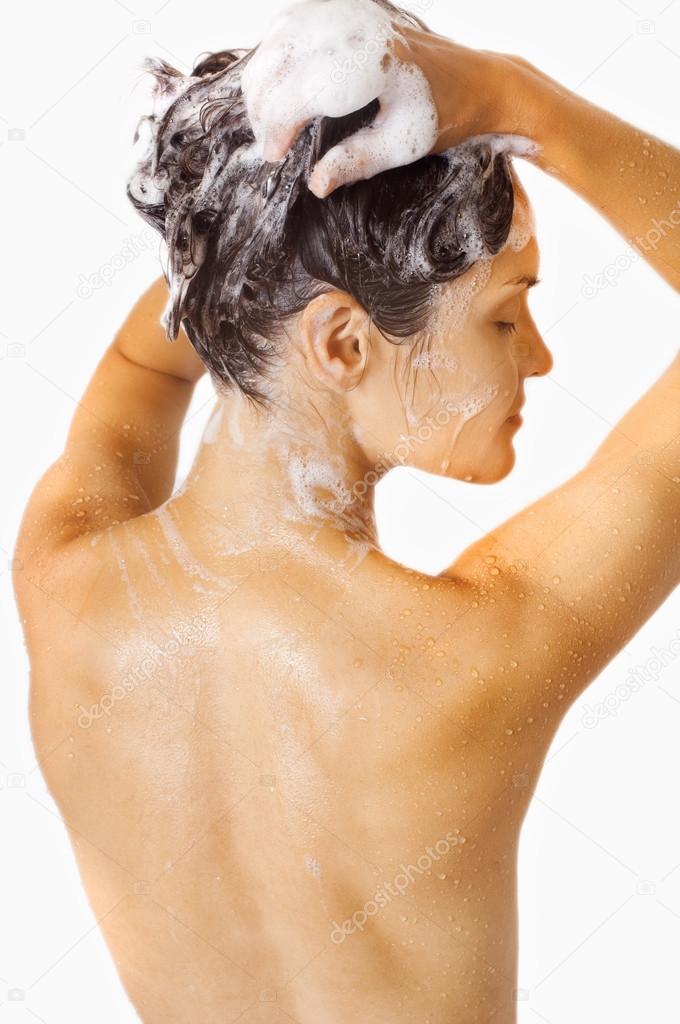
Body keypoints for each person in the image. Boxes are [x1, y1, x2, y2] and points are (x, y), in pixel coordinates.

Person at [14, 1, 680, 1020]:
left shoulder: (62, 576)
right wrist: (517, 97)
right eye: (504, 313)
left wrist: (253, 228)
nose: (539, 355)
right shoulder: (478, 650)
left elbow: (149, 360)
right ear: (339, 344)